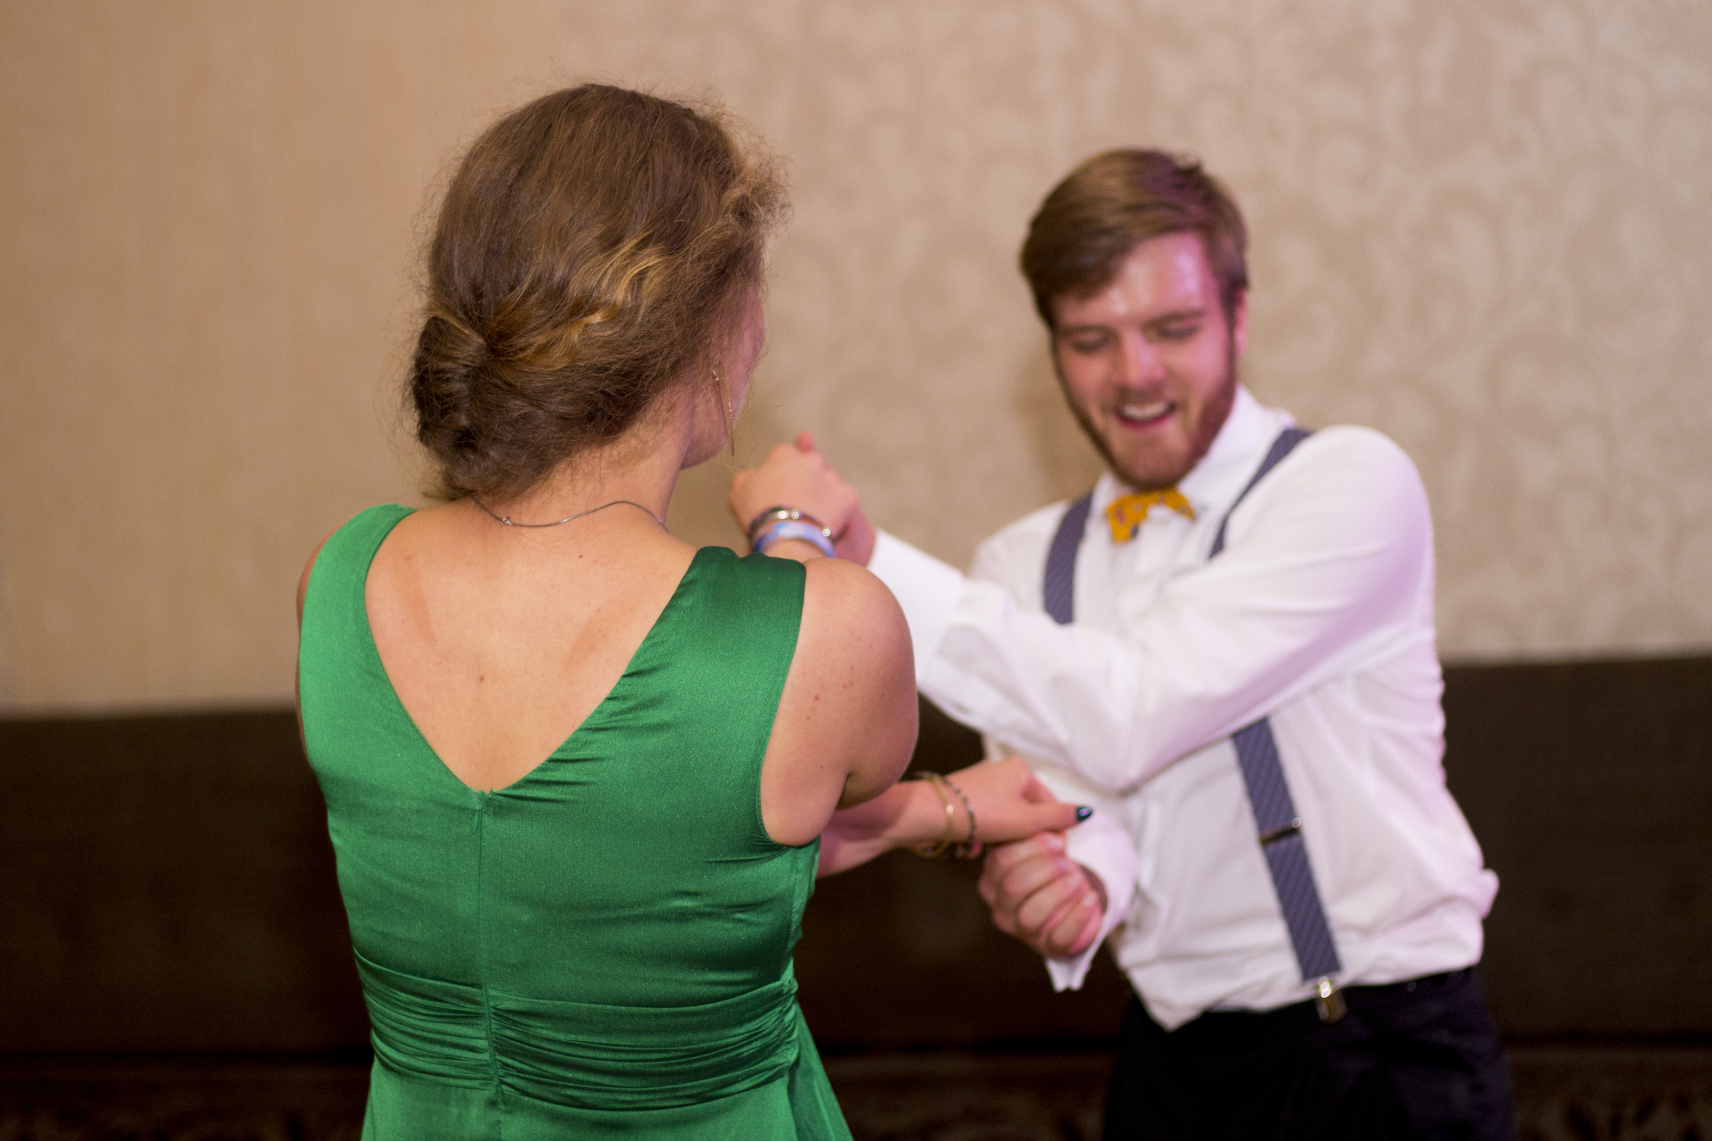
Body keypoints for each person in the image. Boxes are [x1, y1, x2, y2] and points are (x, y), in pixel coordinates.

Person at [294, 84, 1084, 1140]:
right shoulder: (835, 626)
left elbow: (618, 853)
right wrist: (793, 530)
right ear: (710, 325)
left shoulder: (340, 579)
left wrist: (942, 811)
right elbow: (783, 742)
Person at [731, 149, 1516, 1138]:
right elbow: (1084, 790)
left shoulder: (1350, 486)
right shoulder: (1020, 568)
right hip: (1170, 1061)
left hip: (1377, 1047)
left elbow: (1139, 705)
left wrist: (868, 560)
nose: (1134, 373)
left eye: (1171, 329)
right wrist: (1077, 882)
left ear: (1237, 317)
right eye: (1091, 339)